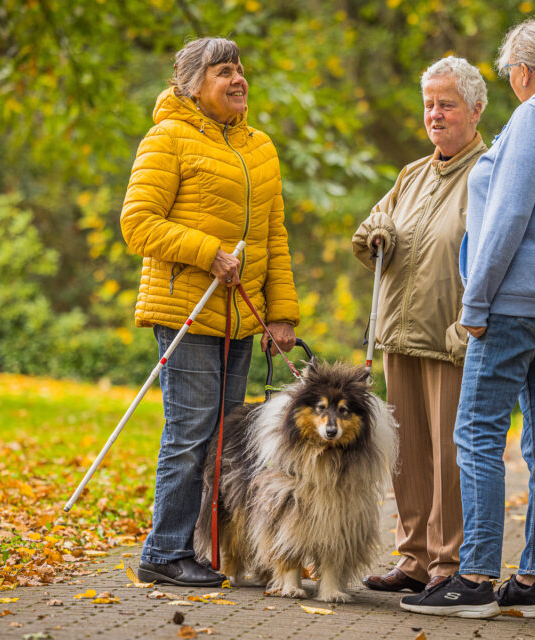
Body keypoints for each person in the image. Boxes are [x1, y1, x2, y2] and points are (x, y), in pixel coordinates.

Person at [398, 19, 535, 619]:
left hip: (519, 304)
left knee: (475, 434)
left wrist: (476, 306)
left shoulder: (534, 118)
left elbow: (507, 218)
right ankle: (533, 584)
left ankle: (472, 579)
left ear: (522, 71)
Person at [120, 37, 299, 587]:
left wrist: (282, 313)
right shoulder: (167, 138)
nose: (238, 79)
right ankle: (164, 551)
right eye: (224, 72)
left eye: (240, 70)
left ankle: (208, 549)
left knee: (224, 441)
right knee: (190, 433)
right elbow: (137, 223)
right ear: (192, 86)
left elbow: (273, 237)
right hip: (188, 314)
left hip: (241, 319)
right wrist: (207, 253)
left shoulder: (260, 148)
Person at [352, 56, 488, 594]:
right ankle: (412, 559)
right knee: (405, 453)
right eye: (429, 104)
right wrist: (378, 231)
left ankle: (447, 563)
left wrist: (471, 325)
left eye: (447, 104)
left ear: (476, 110)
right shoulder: (411, 173)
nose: (435, 114)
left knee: (449, 455)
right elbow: (369, 233)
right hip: (397, 335)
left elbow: (498, 255)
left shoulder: (487, 172)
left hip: (452, 338)